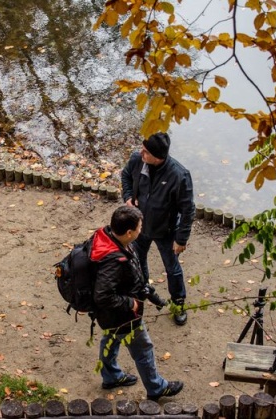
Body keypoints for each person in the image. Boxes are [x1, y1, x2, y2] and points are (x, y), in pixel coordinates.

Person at [91, 206, 184, 400]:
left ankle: (111, 376)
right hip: (122, 315)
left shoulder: (111, 238)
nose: (142, 230)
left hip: (109, 317)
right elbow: (103, 295)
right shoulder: (113, 261)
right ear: (129, 232)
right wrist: (130, 304)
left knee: (110, 340)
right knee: (143, 349)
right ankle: (156, 388)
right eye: (140, 227)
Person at [121, 132, 196, 325]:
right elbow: (126, 175)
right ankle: (143, 290)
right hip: (140, 227)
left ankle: (178, 302)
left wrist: (181, 239)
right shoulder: (138, 161)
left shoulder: (179, 175)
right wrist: (128, 196)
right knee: (138, 261)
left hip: (166, 232)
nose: (140, 152)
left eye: (145, 151)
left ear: (158, 156)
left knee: (173, 269)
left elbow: (188, 210)